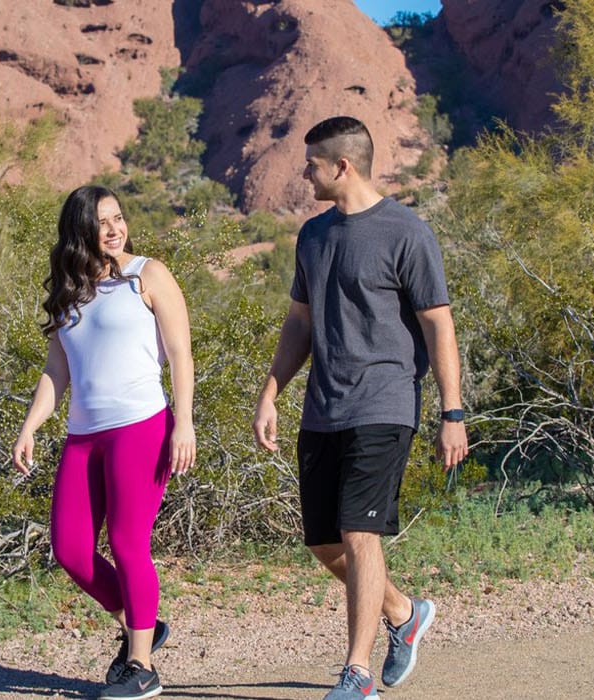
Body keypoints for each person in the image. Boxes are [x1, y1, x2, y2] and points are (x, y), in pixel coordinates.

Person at [251, 116, 468, 700]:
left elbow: (438, 325)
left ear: (341, 166)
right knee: (324, 542)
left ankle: (357, 675)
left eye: (312, 164)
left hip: (386, 400)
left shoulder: (406, 232)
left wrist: (453, 413)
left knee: (358, 533)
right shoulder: (314, 236)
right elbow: (299, 322)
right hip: (324, 408)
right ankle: (404, 613)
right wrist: (272, 391)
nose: (304, 173)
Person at [13, 185, 196, 700]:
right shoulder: (69, 290)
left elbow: (181, 354)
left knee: (127, 541)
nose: (115, 229)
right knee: (70, 548)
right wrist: (30, 425)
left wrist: (184, 423)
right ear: (80, 231)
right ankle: (141, 622)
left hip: (141, 426)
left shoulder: (148, 274)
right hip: (82, 435)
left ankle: (141, 666)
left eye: (119, 218)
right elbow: (57, 369)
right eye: (103, 222)